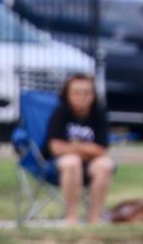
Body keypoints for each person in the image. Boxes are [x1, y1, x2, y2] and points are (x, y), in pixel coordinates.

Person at [45, 73, 115, 225]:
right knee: (72, 162)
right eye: (76, 92)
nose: (81, 97)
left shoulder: (99, 114)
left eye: (86, 93)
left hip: (91, 166)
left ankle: (94, 219)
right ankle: (71, 219)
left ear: (93, 95)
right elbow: (55, 148)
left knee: (105, 164)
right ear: (67, 94)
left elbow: (101, 150)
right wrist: (86, 148)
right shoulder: (60, 113)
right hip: (59, 169)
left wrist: (72, 147)